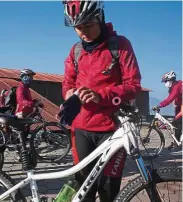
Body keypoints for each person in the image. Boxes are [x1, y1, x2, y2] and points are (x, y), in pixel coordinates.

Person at [62, 1, 142, 201]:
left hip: (111, 129)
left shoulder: (120, 45)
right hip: (81, 128)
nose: (83, 32)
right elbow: (67, 83)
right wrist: (69, 93)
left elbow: (133, 86)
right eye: (78, 28)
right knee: (83, 190)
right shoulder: (76, 51)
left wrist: (101, 96)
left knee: (108, 191)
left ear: (100, 18)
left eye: (88, 25)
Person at [153, 71, 182, 146]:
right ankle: (177, 142)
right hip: (179, 106)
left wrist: (159, 105)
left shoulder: (177, 86)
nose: (165, 83)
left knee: (176, 122)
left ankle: (177, 142)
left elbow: (169, 99)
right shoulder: (172, 87)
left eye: (165, 81)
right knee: (177, 125)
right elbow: (172, 98)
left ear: (171, 80)